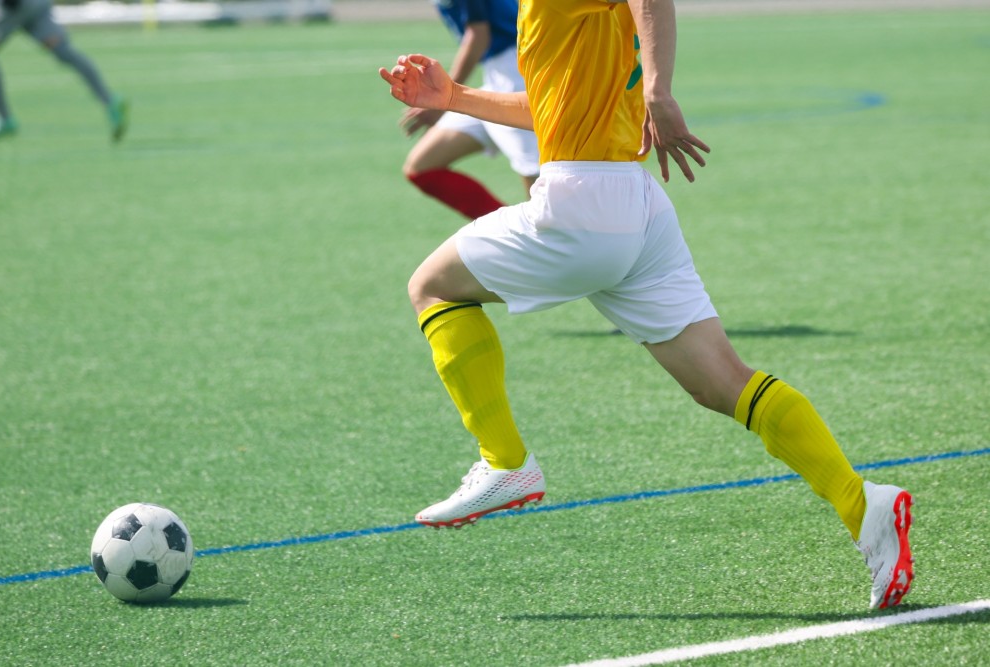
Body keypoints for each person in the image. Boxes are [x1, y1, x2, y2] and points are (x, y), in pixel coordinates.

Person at [379, 0, 914, 610]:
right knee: (723, 383)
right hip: (633, 201)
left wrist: (659, 87)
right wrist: (454, 96)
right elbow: (554, 110)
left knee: (433, 286)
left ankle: (505, 463)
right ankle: (862, 504)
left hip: (582, 203)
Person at [398, 0, 539, 219]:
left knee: (539, 185)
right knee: (422, 167)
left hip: (518, 75)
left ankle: (547, 245)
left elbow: (479, 35)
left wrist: (444, 98)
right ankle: (507, 234)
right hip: (497, 76)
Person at [0, 0, 128, 144]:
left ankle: (4, 119)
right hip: (34, 6)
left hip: (14, 7)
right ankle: (110, 101)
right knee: (64, 52)